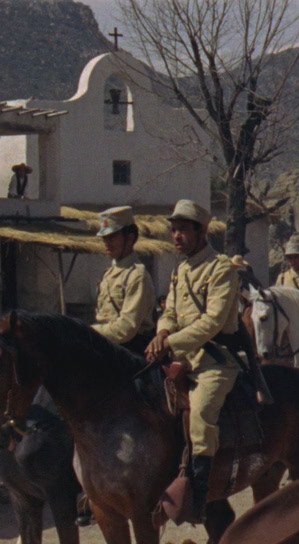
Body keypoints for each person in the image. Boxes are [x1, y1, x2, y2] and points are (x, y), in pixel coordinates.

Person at [145, 199, 242, 523]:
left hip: (215, 361)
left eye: (183, 230)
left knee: (200, 415)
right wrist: (162, 331)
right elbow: (170, 312)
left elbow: (213, 321)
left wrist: (170, 342)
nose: (176, 236)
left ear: (201, 232)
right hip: (181, 358)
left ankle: (199, 498)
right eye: (173, 230)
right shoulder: (180, 270)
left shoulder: (221, 268)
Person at [92, 206, 156, 353]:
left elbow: (126, 329)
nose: (107, 243)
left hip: (131, 350)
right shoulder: (107, 274)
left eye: (112, 237)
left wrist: (89, 332)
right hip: (106, 345)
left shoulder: (137, 275)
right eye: (104, 238)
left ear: (130, 238)